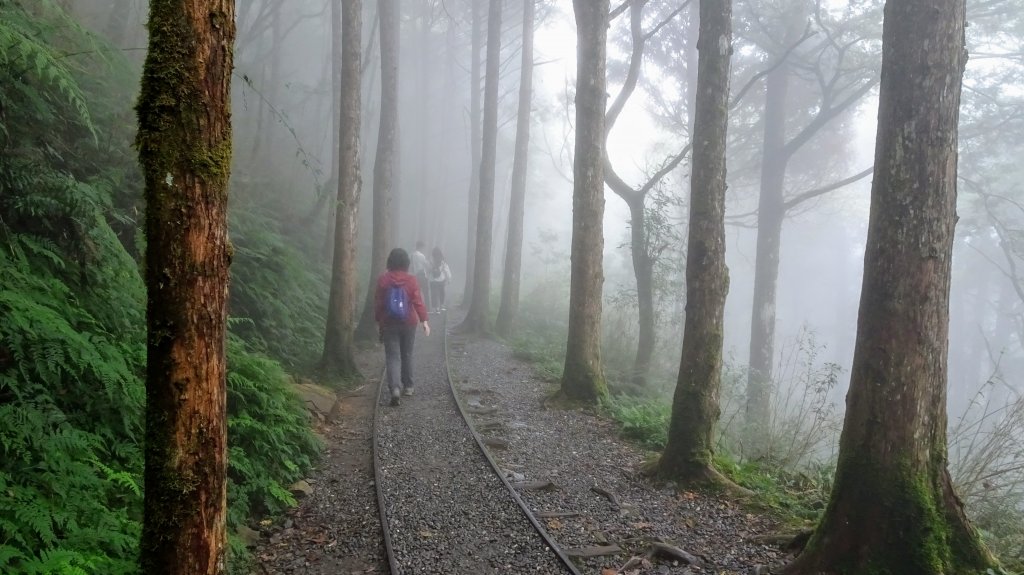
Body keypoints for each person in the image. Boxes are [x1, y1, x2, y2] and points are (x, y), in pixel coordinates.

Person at [375, 248, 430, 406]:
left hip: (390, 322)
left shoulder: (383, 280)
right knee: (407, 353)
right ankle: (409, 386)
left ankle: (395, 389)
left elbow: (378, 303)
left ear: (390, 261)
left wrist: (379, 320)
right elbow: (418, 301)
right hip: (409, 322)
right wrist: (424, 321)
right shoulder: (411, 280)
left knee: (393, 356)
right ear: (406, 262)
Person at [429, 246, 452, 312]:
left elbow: (427, 270)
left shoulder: (430, 260)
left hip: (432, 280)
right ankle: (441, 306)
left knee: (434, 294)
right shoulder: (443, 261)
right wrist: (449, 278)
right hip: (441, 279)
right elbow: (446, 270)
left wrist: (428, 276)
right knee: (442, 293)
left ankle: (435, 308)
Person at [410, 240, 431, 308]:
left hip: (415, 275)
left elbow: (412, 266)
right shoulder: (421, 255)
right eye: (423, 247)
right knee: (426, 292)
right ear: (420, 247)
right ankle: (427, 307)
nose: (423, 249)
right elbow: (426, 265)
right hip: (422, 274)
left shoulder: (412, 255)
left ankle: (416, 306)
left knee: (417, 292)